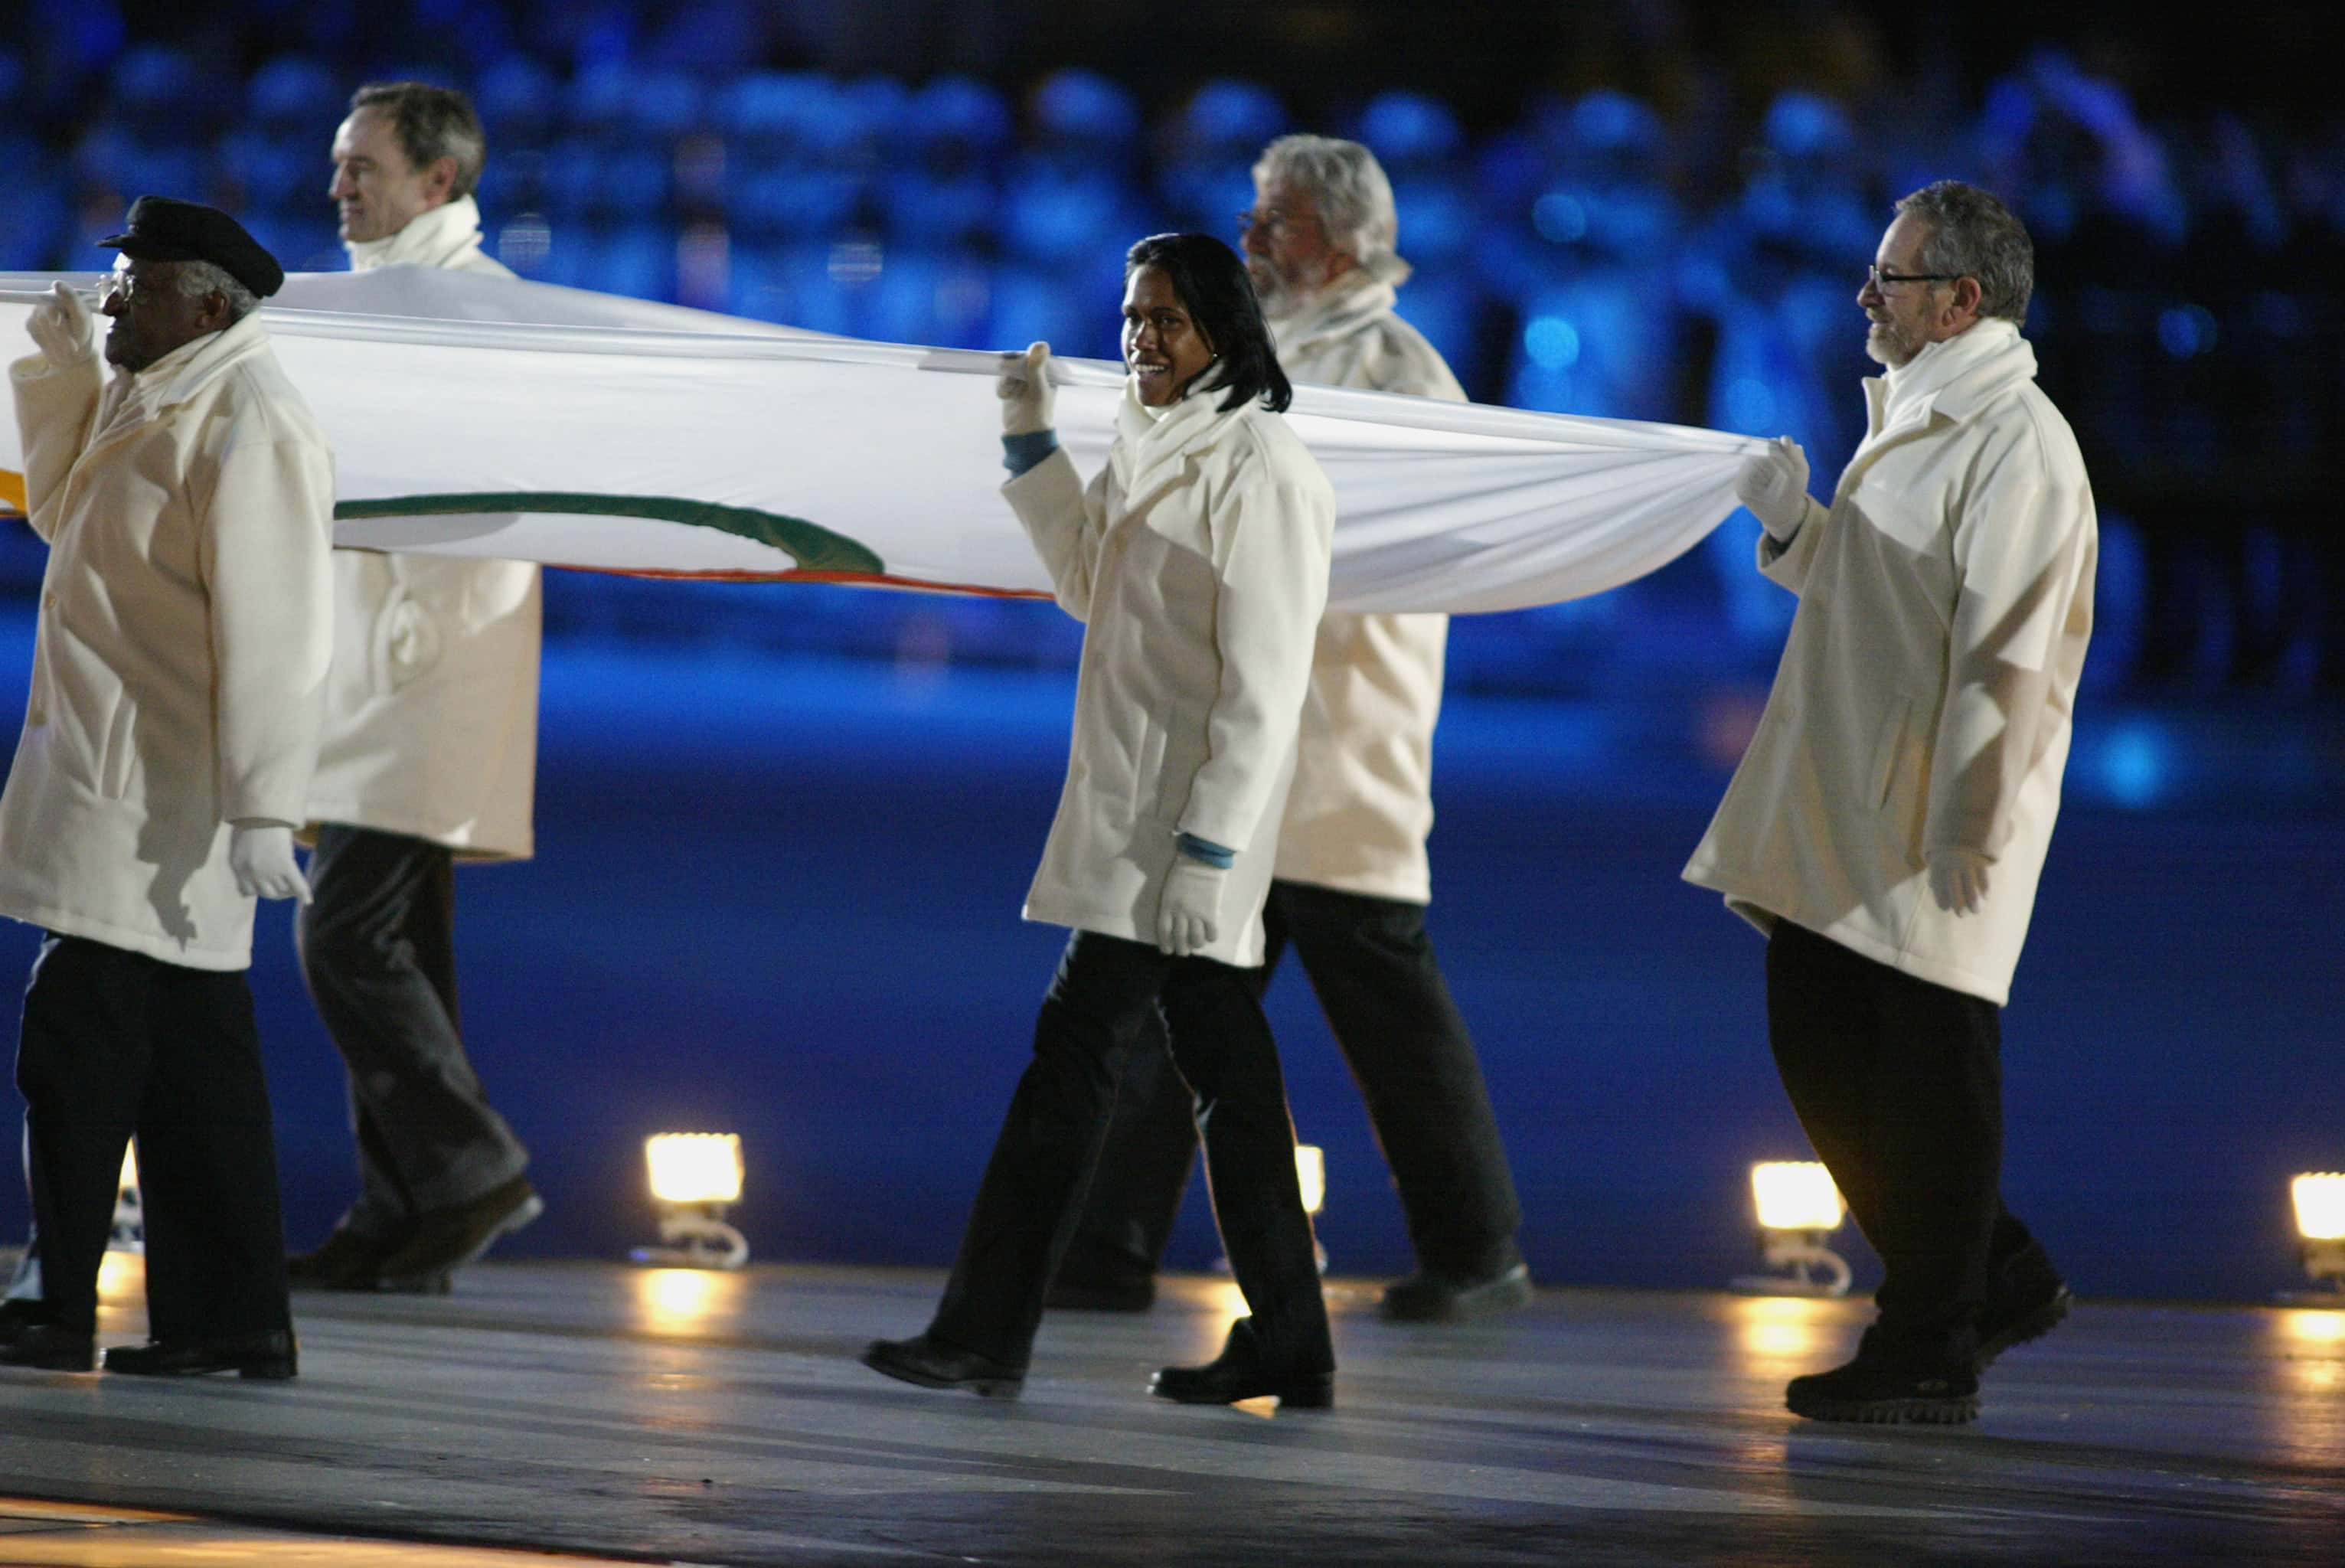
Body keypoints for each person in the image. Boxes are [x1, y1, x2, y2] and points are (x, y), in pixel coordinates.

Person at [1049, 135, 1533, 1323]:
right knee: (1192, 993)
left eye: (1279, 221)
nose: (1254, 237)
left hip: (1338, 736)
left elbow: (1416, 535)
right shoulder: (1271, 356)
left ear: (1346, 242)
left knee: (1383, 1014)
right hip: (1249, 741)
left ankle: (1478, 1253)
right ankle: (1110, 1245)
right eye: (1256, 216)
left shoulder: (1400, 374)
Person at [864, 233, 1339, 1406]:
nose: (1141, 341)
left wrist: (1212, 854)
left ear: (1224, 328)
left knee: (1069, 1066)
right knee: (1228, 1083)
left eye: (1166, 321)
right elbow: (1091, 587)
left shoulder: (1265, 470)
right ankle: (1291, 1340)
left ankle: (983, 1334)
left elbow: (1266, 690)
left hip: (1176, 838)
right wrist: (1031, 442)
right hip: (1144, 825)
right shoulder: (1158, 439)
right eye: (1132, 318)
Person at [1684, 181, 2092, 1424]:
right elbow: (1879, 595)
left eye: (1894, 277)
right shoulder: (1922, 413)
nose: (1869, 294)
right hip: (1860, 804)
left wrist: (1971, 821)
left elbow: (2007, 654)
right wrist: (1795, 524)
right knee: (1824, 1041)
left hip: (1926, 819)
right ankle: (1986, 1277)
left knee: (1929, 1073)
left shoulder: (2016, 444)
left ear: (1962, 300)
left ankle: (1931, 1341)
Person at [0, 198, 332, 1377]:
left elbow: (280, 633)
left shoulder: (252, 424)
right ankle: (233, 1319)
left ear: (203, 302)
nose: (108, 302)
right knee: (196, 1073)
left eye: (131, 285)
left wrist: (263, 804)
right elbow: (65, 516)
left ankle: (55, 1298)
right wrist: (51, 378)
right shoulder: (168, 392)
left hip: (160, 797)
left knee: (74, 1045)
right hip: (121, 779)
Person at [286, 82, 544, 1293]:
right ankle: (403, 1217)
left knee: (341, 933)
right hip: (379, 664)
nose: (340, 185)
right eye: (340, 165)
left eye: (363, 167)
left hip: (425, 663)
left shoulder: (480, 311)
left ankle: (467, 1169)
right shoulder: (379, 302)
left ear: (439, 182)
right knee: (401, 942)